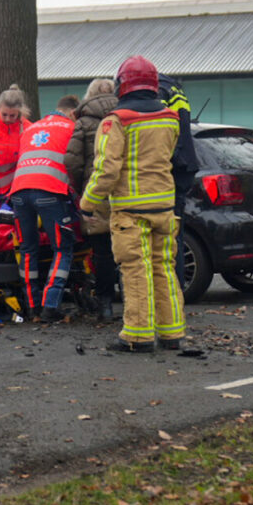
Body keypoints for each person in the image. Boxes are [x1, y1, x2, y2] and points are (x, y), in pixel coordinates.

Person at [79, 56, 185, 353]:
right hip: (164, 206)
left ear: (122, 84)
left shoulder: (117, 121)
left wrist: (88, 203)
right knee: (164, 267)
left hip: (131, 209)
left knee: (135, 270)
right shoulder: (170, 117)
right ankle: (172, 333)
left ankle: (137, 336)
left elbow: (106, 170)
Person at [8, 95, 81, 322]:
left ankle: (32, 307)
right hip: (49, 191)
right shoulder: (71, 127)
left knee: (28, 249)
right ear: (72, 113)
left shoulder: (32, 128)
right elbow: (74, 163)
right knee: (62, 248)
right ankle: (51, 306)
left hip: (19, 191)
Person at [66, 78, 120, 320]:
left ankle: (106, 305)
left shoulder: (84, 122)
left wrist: (81, 189)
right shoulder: (125, 118)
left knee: (102, 252)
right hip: (124, 192)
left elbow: (72, 161)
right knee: (130, 250)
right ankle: (135, 304)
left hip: (96, 192)